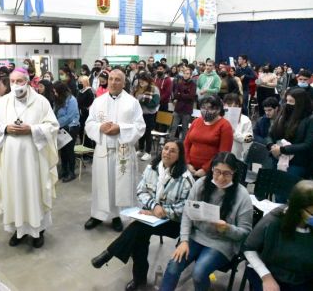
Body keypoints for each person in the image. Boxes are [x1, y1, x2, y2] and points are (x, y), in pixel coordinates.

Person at [91, 139, 195, 291]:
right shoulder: (152, 168)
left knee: (138, 228)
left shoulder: (185, 178)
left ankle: (113, 257)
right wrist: (154, 207)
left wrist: (162, 212)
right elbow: (141, 190)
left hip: (174, 223)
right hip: (152, 216)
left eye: (173, 151)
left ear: (179, 156)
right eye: (165, 148)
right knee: (139, 235)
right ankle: (138, 280)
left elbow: (186, 208)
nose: (167, 152)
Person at [0, 67, 59, 248]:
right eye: (12, 81)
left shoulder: (41, 102)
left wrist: (32, 129)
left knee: (34, 191)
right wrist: (5, 128)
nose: (16, 84)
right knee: (14, 191)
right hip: (11, 159)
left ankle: (38, 231)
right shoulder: (3, 102)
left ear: (27, 81)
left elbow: (52, 125)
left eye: (19, 81)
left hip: (34, 159)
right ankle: (18, 231)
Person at [160, 152, 253, 291]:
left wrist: (227, 228)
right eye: (217, 172)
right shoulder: (201, 184)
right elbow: (187, 214)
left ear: (234, 173)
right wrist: (184, 240)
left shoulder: (242, 195)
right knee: (174, 265)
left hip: (222, 242)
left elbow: (245, 232)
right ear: (212, 170)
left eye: (227, 173)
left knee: (199, 273)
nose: (221, 178)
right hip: (196, 235)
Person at [84, 69, 146, 232]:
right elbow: (89, 123)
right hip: (103, 150)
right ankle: (97, 215)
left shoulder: (132, 102)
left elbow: (140, 127)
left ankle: (117, 216)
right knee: (101, 184)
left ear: (124, 83)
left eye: (117, 80)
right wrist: (100, 127)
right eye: (111, 79)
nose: (113, 82)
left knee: (119, 185)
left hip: (122, 151)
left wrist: (120, 128)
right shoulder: (98, 101)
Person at [243, 180, 313, 291]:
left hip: (301, 278)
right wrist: (266, 277)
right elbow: (249, 248)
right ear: (299, 208)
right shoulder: (275, 221)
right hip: (268, 273)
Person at [268, 88, 313, 179]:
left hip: (296, 162)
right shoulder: (284, 115)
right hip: (277, 157)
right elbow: (270, 134)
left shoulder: (309, 120)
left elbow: (307, 145)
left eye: (291, 101)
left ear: (300, 103)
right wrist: (271, 145)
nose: (287, 104)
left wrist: (283, 149)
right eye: (287, 101)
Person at [184, 95, 233, 178]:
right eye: (203, 107)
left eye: (210, 108)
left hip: (211, 171)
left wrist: (205, 169)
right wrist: (187, 163)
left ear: (218, 109)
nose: (206, 111)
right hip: (189, 168)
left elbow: (223, 153)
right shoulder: (196, 121)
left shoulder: (225, 126)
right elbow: (186, 144)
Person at [53, 81, 80, 182]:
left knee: (69, 151)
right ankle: (64, 171)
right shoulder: (58, 99)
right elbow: (54, 112)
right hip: (60, 128)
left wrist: (56, 124)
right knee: (63, 151)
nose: (54, 93)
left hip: (71, 127)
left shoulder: (72, 100)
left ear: (61, 91)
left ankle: (71, 172)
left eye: (56, 91)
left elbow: (70, 117)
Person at [133, 71, 160, 161]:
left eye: (143, 81)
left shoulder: (154, 89)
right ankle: (141, 149)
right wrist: (141, 100)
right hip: (139, 114)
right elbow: (133, 99)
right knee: (141, 132)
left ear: (148, 80)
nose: (141, 83)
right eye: (140, 81)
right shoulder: (137, 88)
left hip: (149, 115)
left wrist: (141, 100)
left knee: (148, 133)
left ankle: (148, 152)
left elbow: (154, 103)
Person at [223, 93, 253, 161]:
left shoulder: (245, 120)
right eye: (229, 104)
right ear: (224, 105)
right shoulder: (219, 118)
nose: (232, 107)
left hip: (237, 158)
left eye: (236, 105)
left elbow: (249, 139)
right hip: (219, 157)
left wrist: (234, 134)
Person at [169, 67, 196, 140]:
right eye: (184, 73)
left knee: (184, 128)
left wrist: (181, 94)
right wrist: (184, 93)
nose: (185, 75)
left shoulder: (193, 84)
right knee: (173, 126)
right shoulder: (180, 83)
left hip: (187, 110)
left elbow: (191, 96)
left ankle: (184, 146)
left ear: (190, 75)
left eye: (187, 74)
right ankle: (170, 141)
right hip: (178, 108)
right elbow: (175, 95)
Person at [77, 75, 95, 148]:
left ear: (86, 82)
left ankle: (88, 148)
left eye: (81, 82)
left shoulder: (89, 92)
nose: (79, 84)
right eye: (78, 82)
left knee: (86, 132)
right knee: (81, 132)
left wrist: (82, 109)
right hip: (80, 115)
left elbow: (90, 105)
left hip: (86, 115)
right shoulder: (80, 91)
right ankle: (83, 145)